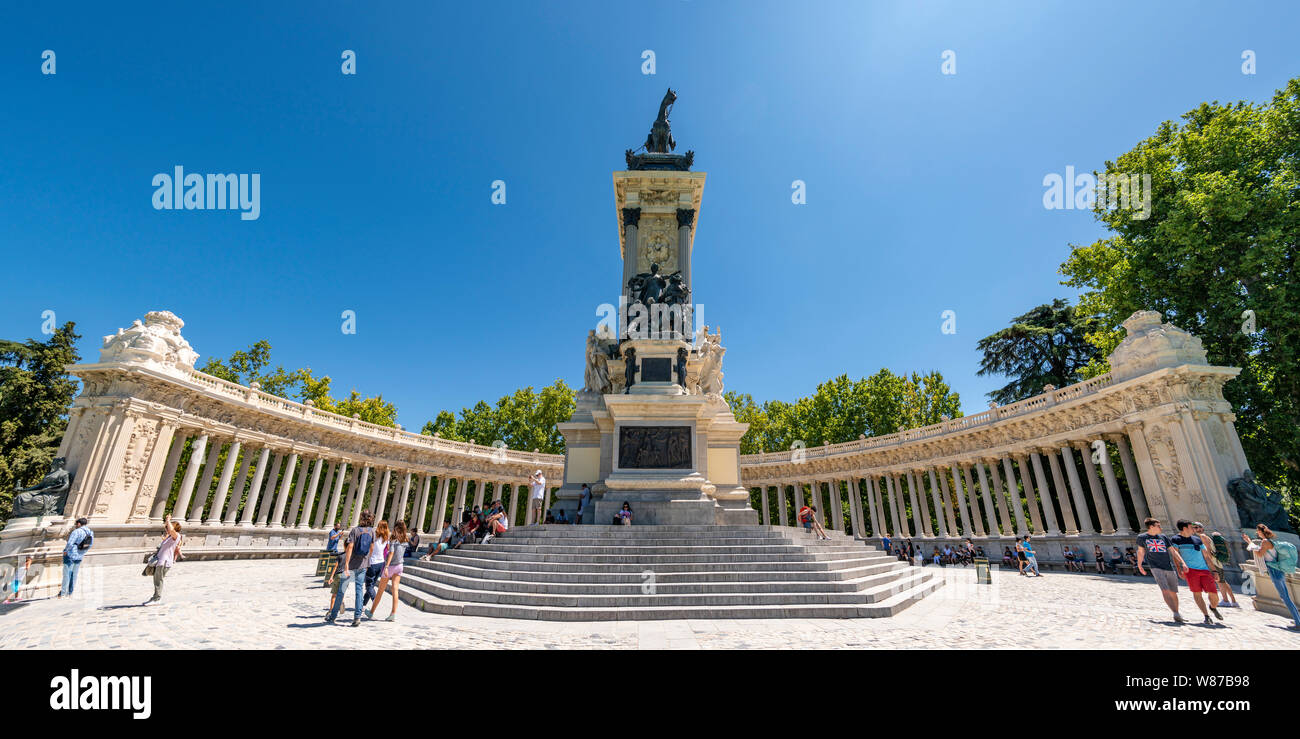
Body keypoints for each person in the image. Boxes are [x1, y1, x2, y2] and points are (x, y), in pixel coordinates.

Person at [1243, 524, 1300, 629]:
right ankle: (1298, 619)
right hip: (1277, 570)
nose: (1257, 533)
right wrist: (1249, 542)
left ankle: (1298, 622)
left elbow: (1260, 554)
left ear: (1261, 532)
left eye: (1258, 531)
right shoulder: (1269, 541)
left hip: (1274, 571)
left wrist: (1250, 543)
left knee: (1285, 597)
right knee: (1286, 596)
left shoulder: (1265, 542)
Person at [326, 510, 377, 626]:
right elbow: (372, 549)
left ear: (361, 518)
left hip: (351, 566)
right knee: (359, 591)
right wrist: (367, 561)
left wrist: (347, 564)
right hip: (363, 565)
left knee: (341, 591)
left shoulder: (355, 530)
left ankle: (333, 616)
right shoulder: (372, 532)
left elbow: (350, 547)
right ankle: (357, 617)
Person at [1136, 517, 1189, 623]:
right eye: (1158, 525)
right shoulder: (1142, 537)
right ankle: (1175, 613)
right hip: (1155, 566)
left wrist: (1182, 562)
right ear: (1151, 527)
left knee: (1173, 591)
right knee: (1165, 590)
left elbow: (1173, 551)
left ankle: (1177, 612)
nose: (1161, 527)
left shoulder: (1163, 537)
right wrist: (1139, 564)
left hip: (1168, 566)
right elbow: (1141, 552)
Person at [1171, 519, 1223, 624]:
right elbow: (1175, 556)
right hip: (1190, 570)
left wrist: (1213, 570)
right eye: (1192, 527)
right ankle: (1206, 615)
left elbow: (1206, 556)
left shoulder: (1197, 540)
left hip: (1204, 569)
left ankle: (1213, 607)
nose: (1194, 529)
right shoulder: (1176, 539)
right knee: (1197, 593)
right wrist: (1179, 569)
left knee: (1214, 593)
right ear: (1185, 528)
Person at [367, 520, 408, 622]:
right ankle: (393, 614)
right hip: (400, 566)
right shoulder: (405, 540)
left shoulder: (394, 539)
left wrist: (386, 566)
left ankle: (371, 612)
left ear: (396, 528)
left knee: (380, 590)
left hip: (390, 567)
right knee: (395, 590)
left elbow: (391, 553)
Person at [144, 514, 183, 605]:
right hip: (160, 560)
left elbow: (171, 530)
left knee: (159, 580)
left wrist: (168, 520)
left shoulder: (176, 536)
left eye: (167, 528)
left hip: (165, 562)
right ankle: (155, 597)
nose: (166, 529)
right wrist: (167, 522)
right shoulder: (169, 537)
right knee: (156, 580)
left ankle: (157, 599)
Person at [58, 517, 93, 598]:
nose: (75, 526)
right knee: (74, 575)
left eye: (76, 524)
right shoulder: (90, 532)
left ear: (79, 524)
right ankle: (70, 592)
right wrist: (82, 552)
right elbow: (90, 544)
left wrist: (65, 551)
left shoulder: (76, 531)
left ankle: (63, 593)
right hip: (80, 555)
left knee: (67, 574)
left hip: (71, 554)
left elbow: (70, 543)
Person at [1208, 529, 1239, 608]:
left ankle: (1225, 601)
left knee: (1220, 582)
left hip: (1215, 563)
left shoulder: (1212, 541)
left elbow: (1211, 552)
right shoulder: (1222, 540)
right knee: (1223, 581)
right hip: (1220, 562)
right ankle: (1234, 601)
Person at [363, 519, 390, 608]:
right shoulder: (386, 537)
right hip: (381, 562)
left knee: (368, 585)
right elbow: (388, 549)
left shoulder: (374, 535)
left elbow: (371, 548)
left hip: (373, 562)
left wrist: (368, 560)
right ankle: (363, 604)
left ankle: (375, 600)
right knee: (372, 584)